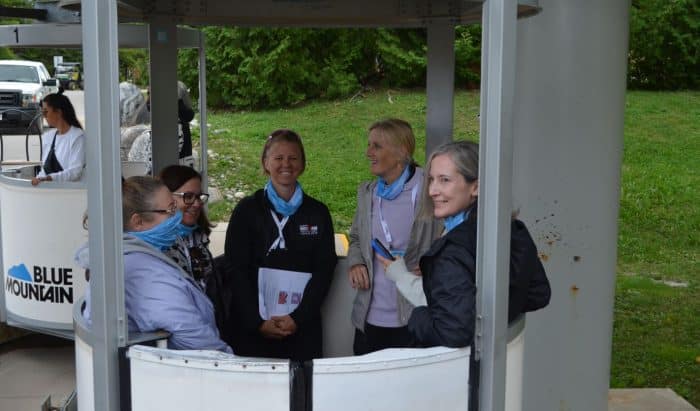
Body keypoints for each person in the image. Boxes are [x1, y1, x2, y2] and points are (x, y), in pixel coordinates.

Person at [377, 140, 551, 349]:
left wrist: (419, 317)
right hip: (500, 356)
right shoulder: (511, 229)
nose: (432, 190)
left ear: (475, 187)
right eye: (431, 180)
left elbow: (454, 332)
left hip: (466, 365)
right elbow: (538, 294)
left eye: (444, 180)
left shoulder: (453, 251)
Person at [77, 176, 232, 353]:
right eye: (170, 210)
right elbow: (192, 336)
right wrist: (228, 359)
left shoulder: (125, 255)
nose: (178, 216)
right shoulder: (144, 272)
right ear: (138, 222)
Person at [223, 129, 336, 360]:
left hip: (301, 328)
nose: (286, 164)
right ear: (266, 163)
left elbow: (324, 270)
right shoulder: (247, 210)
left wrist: (298, 318)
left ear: (303, 164)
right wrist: (257, 322)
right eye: (278, 158)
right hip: (254, 329)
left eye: (293, 158)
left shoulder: (318, 212)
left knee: (301, 383)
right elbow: (236, 268)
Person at [347, 119, 441, 355]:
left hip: (413, 315)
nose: (368, 152)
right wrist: (356, 262)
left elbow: (448, 237)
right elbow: (356, 237)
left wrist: (431, 264)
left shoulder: (430, 190)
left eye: (377, 146)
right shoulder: (368, 193)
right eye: (369, 145)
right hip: (369, 317)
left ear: (402, 151)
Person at [159, 165, 215, 290]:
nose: (197, 204)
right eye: (188, 197)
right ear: (166, 197)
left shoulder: (197, 235)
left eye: (199, 197)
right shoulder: (159, 243)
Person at [32, 91, 85, 185]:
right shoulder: (48, 137)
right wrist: (38, 179)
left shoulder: (78, 137)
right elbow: (44, 171)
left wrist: (49, 178)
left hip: (71, 192)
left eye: (46, 112)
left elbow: (75, 172)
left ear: (58, 112)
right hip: (50, 192)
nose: (43, 116)